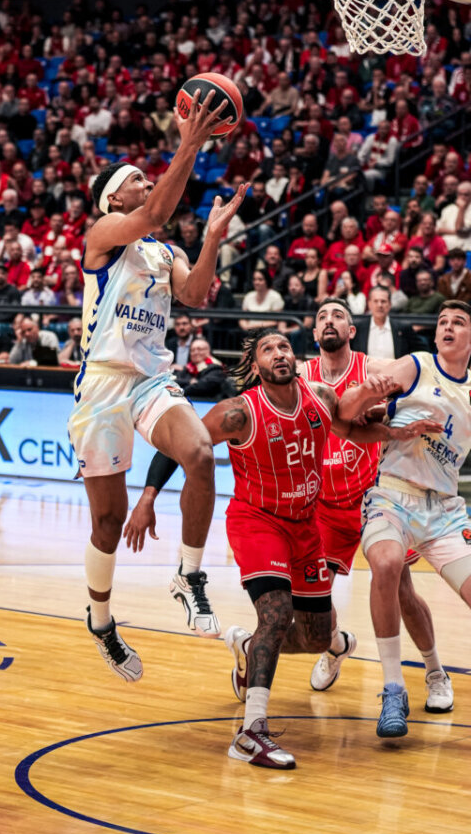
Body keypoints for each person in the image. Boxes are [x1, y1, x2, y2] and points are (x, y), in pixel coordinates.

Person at [125, 327, 422, 768]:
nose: (279, 353)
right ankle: (250, 733)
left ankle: (249, 649)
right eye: (268, 349)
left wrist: (393, 435)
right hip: (257, 522)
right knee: (277, 614)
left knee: (319, 636)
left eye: (284, 346)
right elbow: (182, 447)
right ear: (256, 365)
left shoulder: (319, 395)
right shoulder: (238, 413)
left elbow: (349, 429)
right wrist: (147, 497)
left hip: (305, 526)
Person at [67, 89, 246, 681]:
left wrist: (214, 238)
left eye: (150, 176)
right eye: (136, 179)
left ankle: (189, 574)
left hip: (151, 380)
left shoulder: (163, 251)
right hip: (102, 386)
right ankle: (100, 619)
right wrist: (191, 139)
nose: (146, 182)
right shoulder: (103, 235)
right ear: (112, 198)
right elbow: (154, 214)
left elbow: (194, 294)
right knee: (107, 522)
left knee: (197, 451)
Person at [300, 300, 449, 707]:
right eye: (322, 318)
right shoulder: (302, 375)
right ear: (314, 334)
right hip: (324, 505)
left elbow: (427, 381)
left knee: (402, 589)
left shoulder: (375, 368)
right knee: (312, 605)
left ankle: (435, 672)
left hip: (372, 497)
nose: (329, 321)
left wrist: (394, 413)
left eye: (338, 316)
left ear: (352, 331)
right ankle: (335, 647)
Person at [362, 301, 471, 739]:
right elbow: (365, 394)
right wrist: (374, 393)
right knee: (387, 566)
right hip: (393, 494)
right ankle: (392, 688)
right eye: (442, 321)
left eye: (458, 322)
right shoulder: (418, 364)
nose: (447, 327)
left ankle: (436, 673)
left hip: (444, 510)